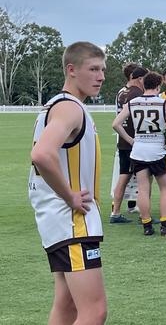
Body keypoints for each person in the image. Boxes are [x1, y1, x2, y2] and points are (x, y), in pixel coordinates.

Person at [28, 41, 108, 324]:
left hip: (61, 223)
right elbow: (41, 154)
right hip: (72, 221)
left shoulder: (58, 105)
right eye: (93, 69)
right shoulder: (70, 107)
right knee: (94, 311)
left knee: (67, 306)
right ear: (71, 70)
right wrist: (70, 196)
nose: (100, 77)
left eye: (103, 70)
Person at [112, 72, 166, 236]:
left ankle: (147, 225)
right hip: (158, 150)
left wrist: (131, 140)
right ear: (158, 86)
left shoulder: (133, 103)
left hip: (139, 149)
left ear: (144, 85)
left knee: (142, 188)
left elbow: (116, 124)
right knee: (165, 188)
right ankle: (165, 223)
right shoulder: (164, 103)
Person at [110, 66, 147, 222]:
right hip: (133, 140)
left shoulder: (121, 92)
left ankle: (116, 212)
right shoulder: (137, 94)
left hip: (123, 141)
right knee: (142, 178)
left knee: (123, 176)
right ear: (139, 79)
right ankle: (143, 214)